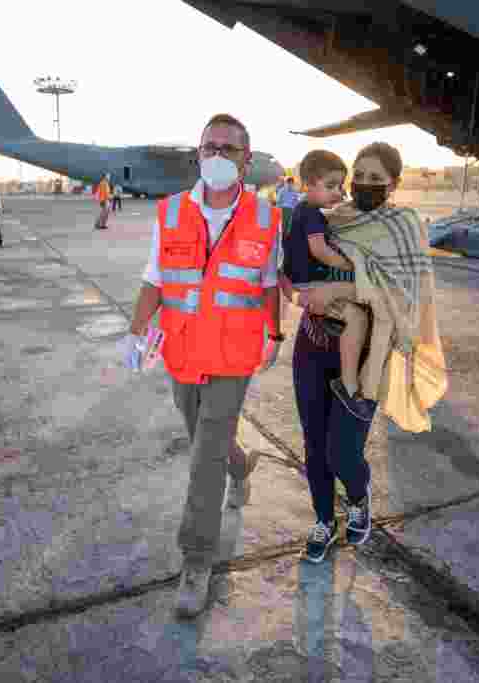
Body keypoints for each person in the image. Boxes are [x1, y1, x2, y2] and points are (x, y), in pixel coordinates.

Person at [119, 113, 283, 618]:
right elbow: (154, 278)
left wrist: (276, 334)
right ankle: (241, 465)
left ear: (246, 160)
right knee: (202, 438)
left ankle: (196, 560)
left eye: (228, 149)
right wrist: (136, 331)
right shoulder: (171, 211)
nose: (217, 156)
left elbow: (268, 284)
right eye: (210, 147)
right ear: (198, 153)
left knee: (204, 457)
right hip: (183, 351)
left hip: (234, 354)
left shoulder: (267, 217)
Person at [280, 141, 445, 564]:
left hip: (366, 356)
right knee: (314, 444)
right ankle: (323, 519)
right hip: (313, 344)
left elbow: (406, 292)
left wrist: (341, 290)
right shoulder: (333, 218)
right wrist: (297, 295)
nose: (365, 184)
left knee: (342, 451)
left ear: (394, 183)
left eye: (376, 178)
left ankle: (357, 494)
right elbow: (293, 266)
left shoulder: (403, 225)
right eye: (360, 176)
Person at [282, 150, 373, 421]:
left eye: (340, 186)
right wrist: (350, 266)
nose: (337, 192)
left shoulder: (305, 209)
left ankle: (331, 322)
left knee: (352, 310)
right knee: (357, 318)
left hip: (306, 282)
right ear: (308, 185)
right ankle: (348, 384)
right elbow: (319, 250)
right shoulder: (311, 213)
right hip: (309, 284)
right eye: (331, 186)